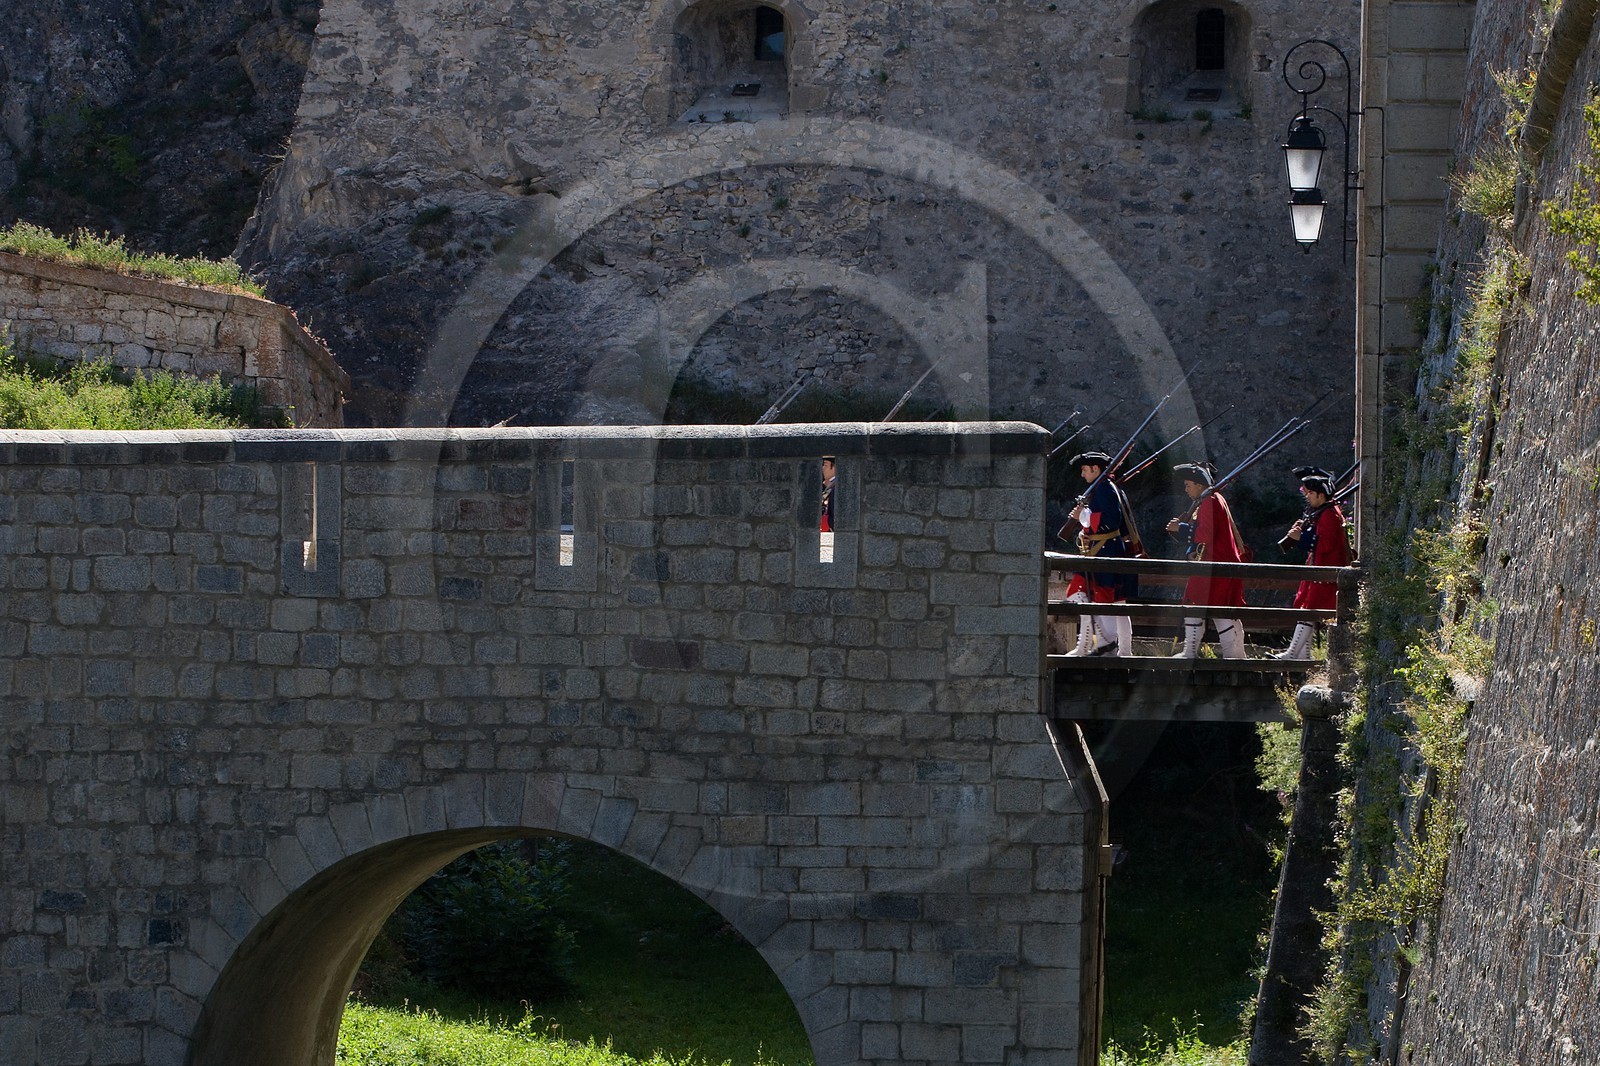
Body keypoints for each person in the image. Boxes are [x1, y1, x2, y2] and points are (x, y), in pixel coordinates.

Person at [1164, 462, 1248, 658]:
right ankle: (1233, 654)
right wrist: (1191, 552)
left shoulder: (1209, 501)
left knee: (1213, 608)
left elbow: (1205, 534)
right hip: (1214, 562)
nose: (1186, 489)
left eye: (1188, 484)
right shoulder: (1211, 500)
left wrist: (1181, 528)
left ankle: (1228, 655)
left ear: (1200, 484)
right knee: (1210, 607)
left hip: (1216, 564)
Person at [1061, 450, 1139, 657]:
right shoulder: (1105, 487)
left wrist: (1083, 516)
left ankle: (1104, 644)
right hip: (1106, 550)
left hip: (1106, 551)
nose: (1082, 474)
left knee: (1093, 596)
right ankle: (1121, 650)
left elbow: (1110, 522)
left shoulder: (1104, 489)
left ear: (1096, 469)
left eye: (1085, 469)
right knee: (1116, 602)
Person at [1279, 471, 1349, 659]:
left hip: (1324, 574)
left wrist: (1300, 537)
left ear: (1321, 495)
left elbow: (1325, 544)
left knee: (1308, 612)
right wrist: (1303, 531)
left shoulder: (1328, 515)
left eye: (1311, 493)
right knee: (1307, 611)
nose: (1307, 496)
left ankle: (1294, 653)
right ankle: (1303, 655)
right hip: (1319, 572)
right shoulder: (1325, 512)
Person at [820, 456, 836, 532]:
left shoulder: (835, 486)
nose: (823, 468)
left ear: (834, 467)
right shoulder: (829, 485)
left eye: (825, 465)